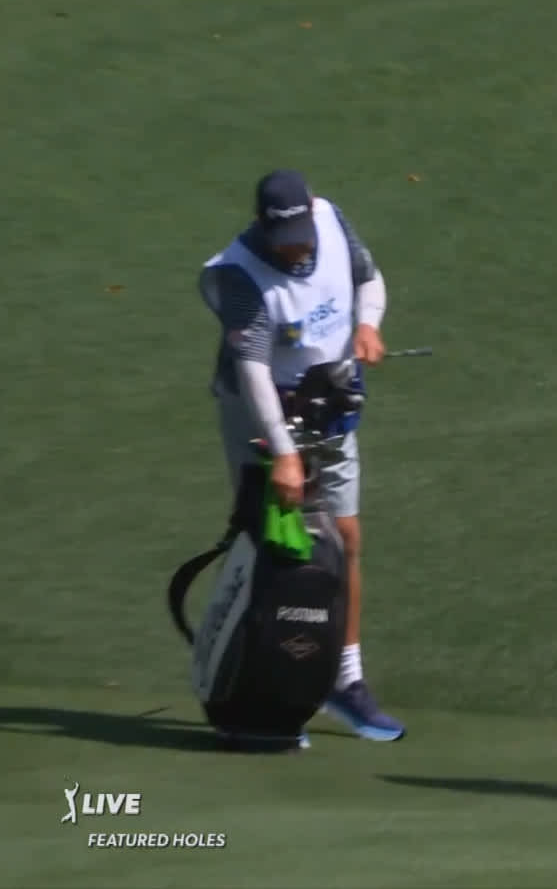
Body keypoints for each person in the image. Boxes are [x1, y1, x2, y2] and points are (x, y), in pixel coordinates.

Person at [198, 169, 406, 742]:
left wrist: (368, 325)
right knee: (269, 540)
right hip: (260, 418)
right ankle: (257, 683)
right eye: (282, 236)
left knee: (345, 537)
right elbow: (254, 371)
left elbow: (370, 280)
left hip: (329, 409)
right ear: (263, 228)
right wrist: (285, 454)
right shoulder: (239, 274)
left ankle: (343, 678)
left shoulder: (332, 222)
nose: (296, 246)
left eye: (301, 231)